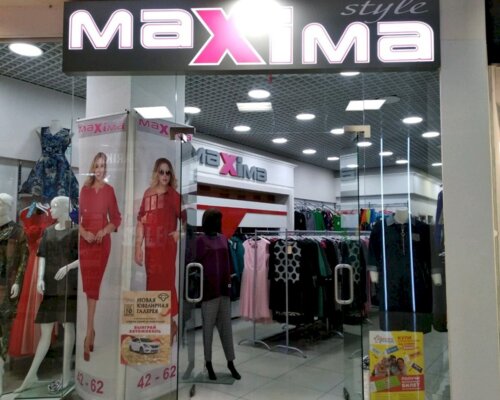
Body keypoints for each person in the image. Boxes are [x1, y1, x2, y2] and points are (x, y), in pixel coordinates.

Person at [15, 196, 78, 393]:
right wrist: (40, 278)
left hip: (68, 286)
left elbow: (84, 258)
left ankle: (66, 375)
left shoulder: (76, 230)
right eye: (51, 206)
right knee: (45, 332)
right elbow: (42, 256)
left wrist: (68, 267)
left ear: (65, 208)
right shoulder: (49, 231)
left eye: (55, 206)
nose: (51, 210)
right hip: (50, 284)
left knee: (68, 326)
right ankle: (31, 375)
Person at [135, 158, 183, 344]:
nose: (165, 176)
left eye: (168, 172)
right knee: (152, 285)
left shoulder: (174, 196)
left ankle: (169, 324)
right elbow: (141, 220)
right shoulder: (148, 194)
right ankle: (158, 327)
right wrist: (137, 247)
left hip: (166, 248)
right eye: (161, 172)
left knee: (166, 284)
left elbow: (186, 219)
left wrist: (179, 232)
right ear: (156, 173)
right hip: (151, 248)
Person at [79, 152, 121, 361]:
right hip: (85, 243)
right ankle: (91, 330)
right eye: (97, 166)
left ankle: (89, 333)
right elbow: (75, 219)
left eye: (103, 166)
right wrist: (83, 233)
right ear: (92, 167)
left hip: (101, 244)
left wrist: (104, 231)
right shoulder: (84, 190)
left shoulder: (109, 190)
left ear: (106, 169)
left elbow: (116, 219)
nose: (100, 169)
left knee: (93, 287)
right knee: (89, 287)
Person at [190, 208, 240, 381]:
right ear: (210, 222)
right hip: (208, 292)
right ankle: (208, 363)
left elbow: (229, 263)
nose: (220, 223)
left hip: (224, 290)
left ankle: (231, 362)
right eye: (217, 220)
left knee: (226, 330)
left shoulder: (224, 239)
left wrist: (231, 284)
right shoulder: (199, 241)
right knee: (208, 331)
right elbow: (193, 265)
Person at [0, 193, 28, 395]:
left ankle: (2, 369)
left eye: (0, 204)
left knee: (5, 326)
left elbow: (24, 260)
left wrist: (18, 281)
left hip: (7, 286)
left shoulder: (18, 232)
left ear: (9, 206)